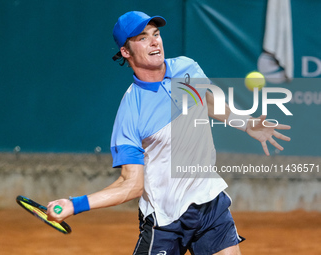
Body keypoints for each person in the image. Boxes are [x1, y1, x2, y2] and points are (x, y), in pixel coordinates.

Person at [47, 11, 291, 255]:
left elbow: (211, 103)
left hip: (209, 204)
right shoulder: (132, 110)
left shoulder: (186, 67)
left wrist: (247, 123)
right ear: (125, 52)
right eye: (142, 38)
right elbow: (130, 185)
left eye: (156, 34)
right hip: (165, 219)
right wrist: (74, 204)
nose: (155, 41)